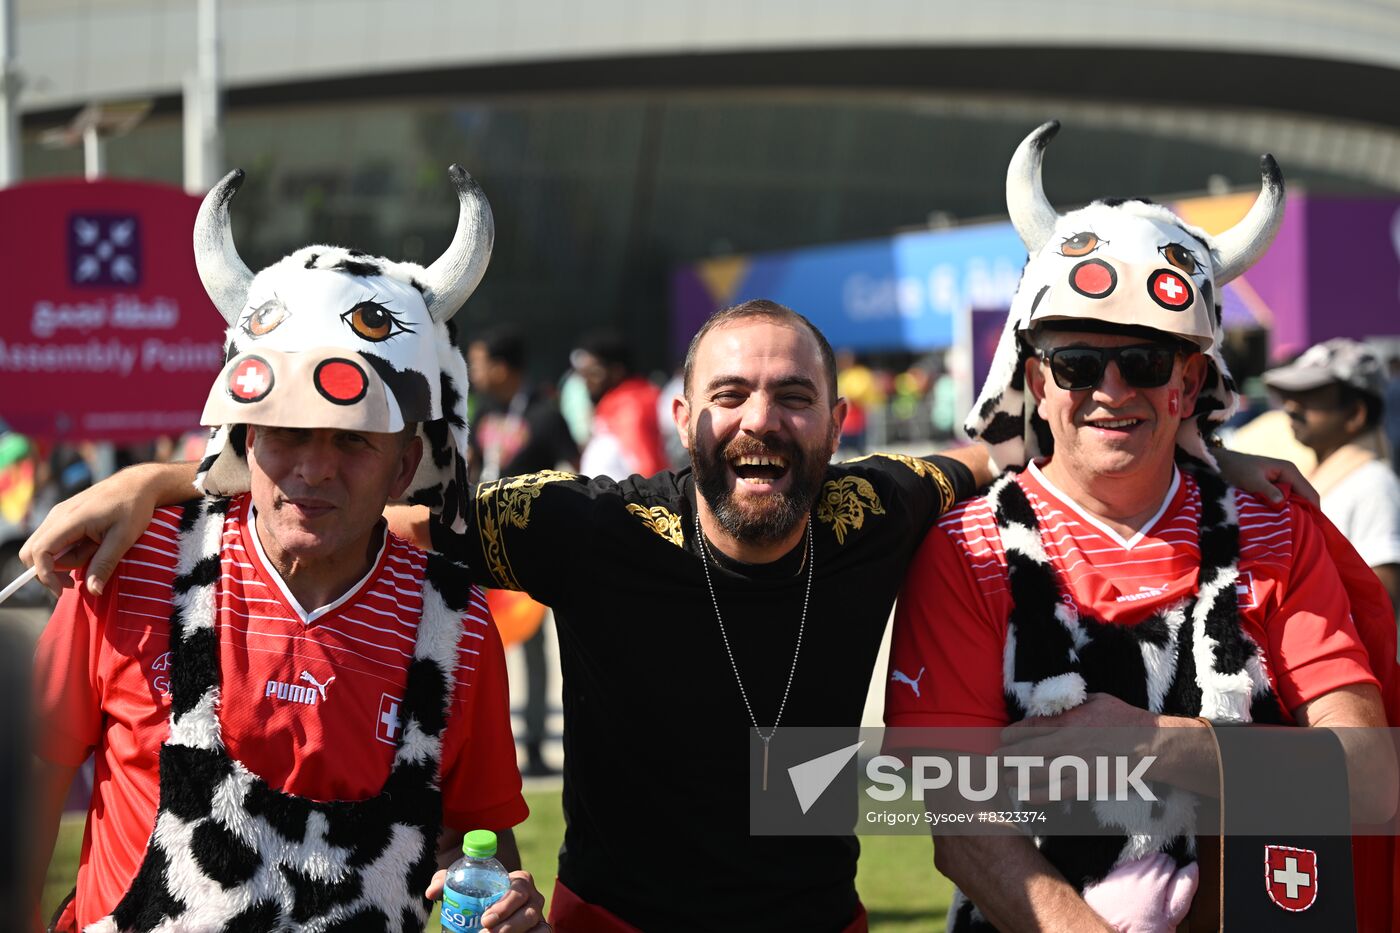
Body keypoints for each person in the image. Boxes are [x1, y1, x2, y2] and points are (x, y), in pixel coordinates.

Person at [22, 306, 1313, 926]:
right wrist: (170, 480)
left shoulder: (887, 505)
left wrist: (1210, 452)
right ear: (685, 418)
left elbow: (1029, 447)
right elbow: (353, 508)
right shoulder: (584, 524)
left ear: (836, 420)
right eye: (733, 394)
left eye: (794, 395)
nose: (764, 419)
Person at [887, 122, 1399, 932]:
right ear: (1035, 379)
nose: (1111, 390)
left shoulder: (1275, 534)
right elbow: (957, 821)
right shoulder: (967, 548)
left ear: (1191, 382)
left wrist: (1161, 742)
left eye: (1148, 363)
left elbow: (1370, 779)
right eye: (1079, 364)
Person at [26, 167, 547, 932]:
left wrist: (504, 900)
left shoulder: (458, 625)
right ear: (244, 435)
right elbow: (28, 787)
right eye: (286, 431)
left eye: (352, 440)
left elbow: (477, 849)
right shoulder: (127, 568)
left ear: (404, 464)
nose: (313, 466)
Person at [467, 324, 579, 776]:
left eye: (478, 362)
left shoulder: (544, 413)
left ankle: (532, 746)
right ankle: (475, 743)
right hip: (478, 545)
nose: (473, 371)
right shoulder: (483, 410)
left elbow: (573, 468)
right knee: (475, 641)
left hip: (529, 553)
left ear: (502, 367)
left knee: (531, 649)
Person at [1263, 338, 1400, 612]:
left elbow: (1384, 591)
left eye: (1310, 396)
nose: (1292, 407)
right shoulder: (1323, 474)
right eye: (1290, 396)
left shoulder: (1373, 482)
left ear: (1355, 415)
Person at [570, 332, 668, 480]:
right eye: (584, 375)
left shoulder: (630, 404)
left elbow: (648, 470)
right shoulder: (616, 403)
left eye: (594, 373)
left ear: (616, 371)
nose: (587, 382)